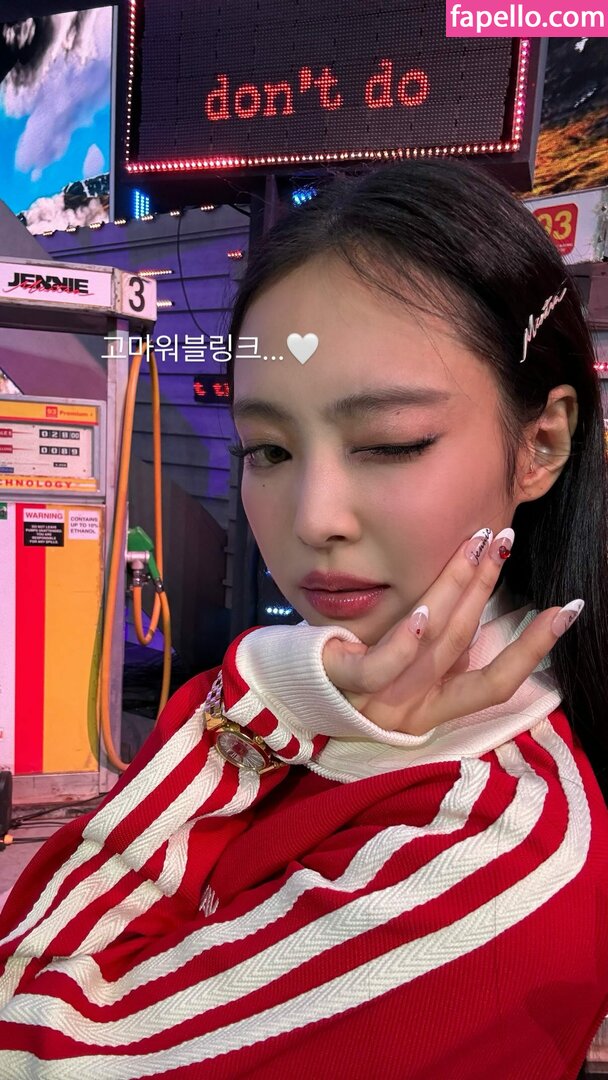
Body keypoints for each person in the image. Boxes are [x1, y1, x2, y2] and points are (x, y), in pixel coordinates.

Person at [0, 158, 607, 1079]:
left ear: (542, 444)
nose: (315, 518)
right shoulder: (317, 697)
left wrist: (253, 719)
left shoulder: (482, 852)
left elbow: (24, 1027)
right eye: (269, 450)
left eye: (391, 444)